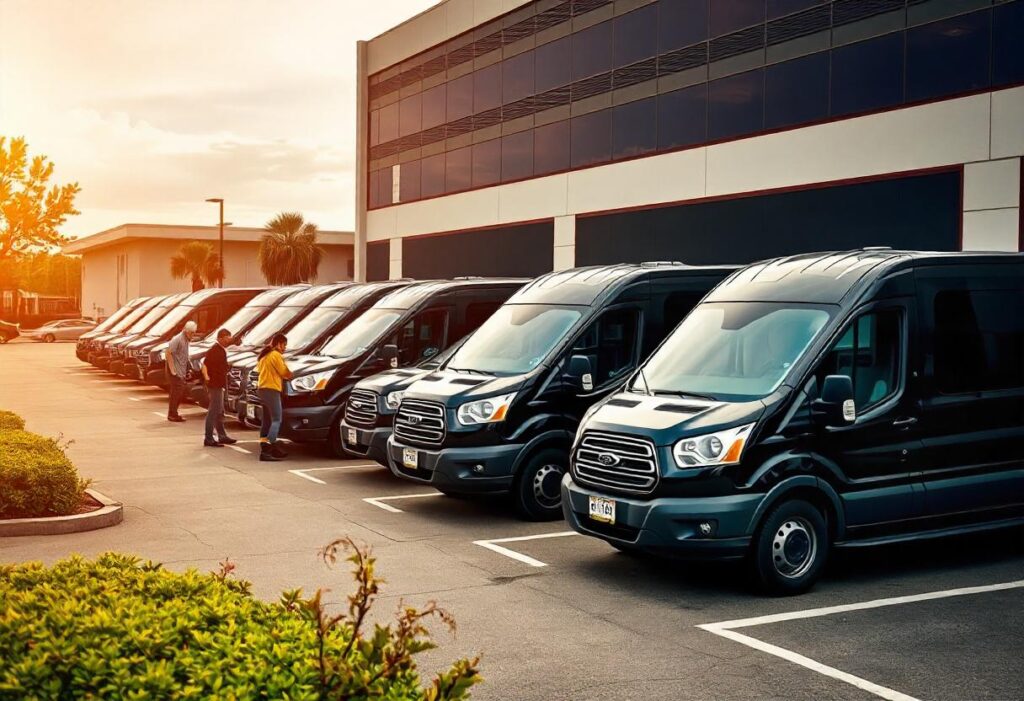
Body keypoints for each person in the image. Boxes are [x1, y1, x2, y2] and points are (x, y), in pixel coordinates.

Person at [255, 332, 292, 461]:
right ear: (278, 344)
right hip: (272, 389)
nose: (285, 348)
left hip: (262, 389)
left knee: (267, 421)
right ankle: (269, 448)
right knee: (277, 419)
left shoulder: (264, 355)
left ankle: (266, 446)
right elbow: (284, 372)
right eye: (284, 345)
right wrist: (290, 373)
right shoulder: (276, 355)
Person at [202, 328, 236, 447]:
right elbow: (204, 364)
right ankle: (208, 437)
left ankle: (222, 436)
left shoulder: (221, 350)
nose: (229, 340)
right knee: (213, 410)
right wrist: (207, 377)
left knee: (220, 411)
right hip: (215, 384)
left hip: (219, 384)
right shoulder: (214, 350)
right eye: (227, 338)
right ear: (220, 338)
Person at [165, 321, 197, 422]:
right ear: (186, 331)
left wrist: (188, 368)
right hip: (175, 371)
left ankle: (173, 413)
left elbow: (184, 355)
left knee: (179, 393)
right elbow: (168, 353)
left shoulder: (186, 340)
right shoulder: (177, 339)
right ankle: (172, 414)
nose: (193, 335)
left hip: (181, 370)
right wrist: (173, 370)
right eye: (192, 333)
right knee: (176, 393)